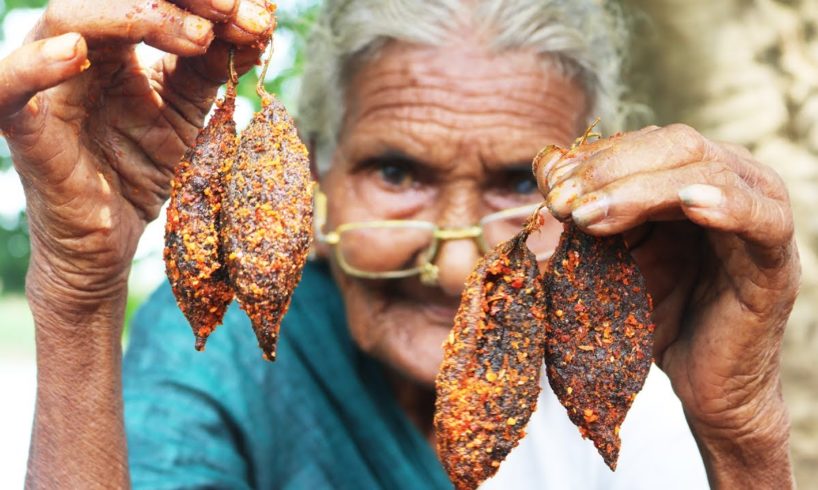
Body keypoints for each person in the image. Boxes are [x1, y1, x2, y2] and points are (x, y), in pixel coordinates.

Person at [2, 0, 799, 488]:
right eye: (395, 171)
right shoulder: (217, 355)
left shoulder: (629, 389)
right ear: (314, 182)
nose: (454, 267)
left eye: (522, 184)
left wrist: (740, 434)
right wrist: (78, 295)